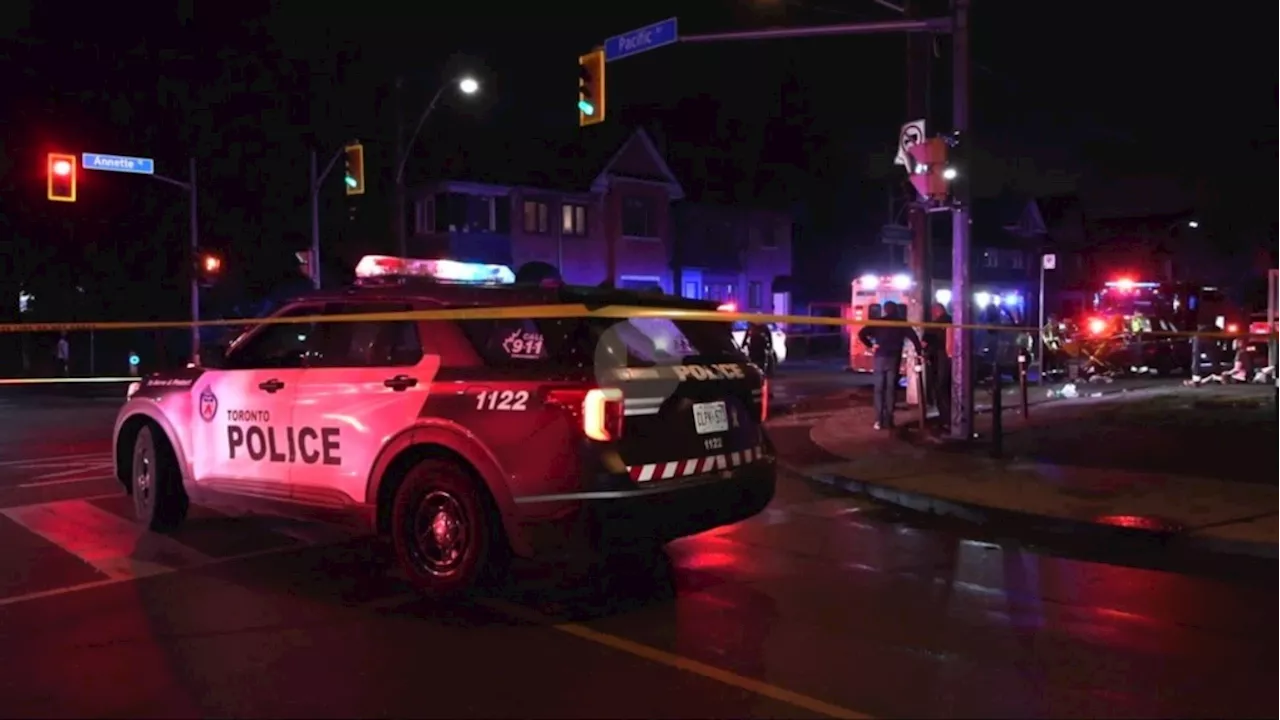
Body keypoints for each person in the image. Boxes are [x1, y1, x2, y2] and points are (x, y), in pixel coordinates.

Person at [857, 301, 921, 430]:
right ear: (896, 309)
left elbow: (861, 334)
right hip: (894, 358)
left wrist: (871, 345)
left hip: (880, 357)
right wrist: (919, 353)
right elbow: (914, 338)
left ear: (885, 310)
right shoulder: (902, 323)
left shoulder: (879, 322)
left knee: (879, 389)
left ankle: (878, 420)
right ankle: (889, 420)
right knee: (891, 389)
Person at [922, 302, 954, 431]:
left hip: (939, 358)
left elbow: (924, 343)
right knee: (950, 387)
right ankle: (952, 417)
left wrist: (923, 352)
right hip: (952, 357)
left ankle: (945, 419)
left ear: (936, 311)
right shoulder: (953, 320)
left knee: (940, 388)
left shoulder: (933, 325)